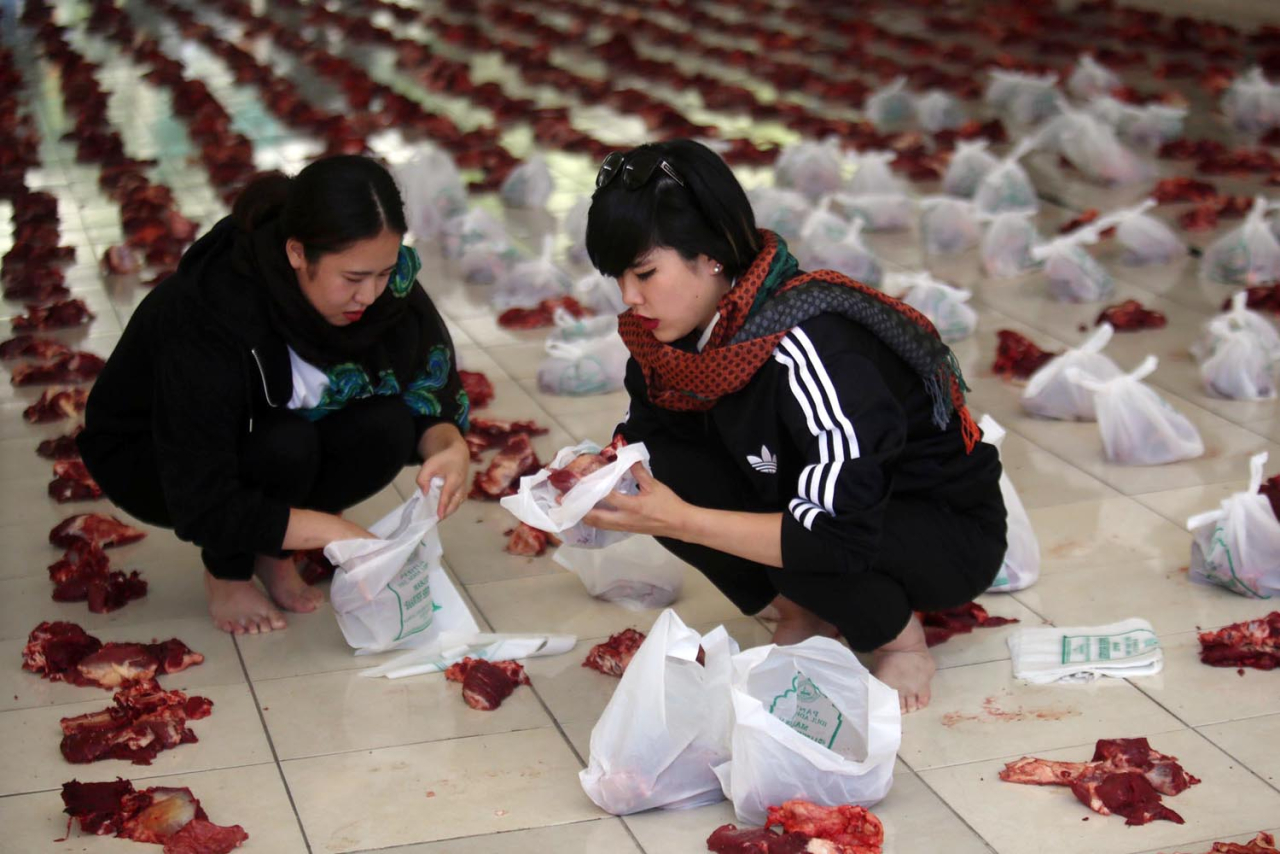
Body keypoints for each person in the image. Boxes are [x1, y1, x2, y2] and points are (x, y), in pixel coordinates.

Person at [580, 140, 1007, 712]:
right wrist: (603, 471)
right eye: (619, 278)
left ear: (710, 255)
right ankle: (803, 611)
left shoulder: (807, 342)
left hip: (936, 530)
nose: (629, 299)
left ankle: (899, 639)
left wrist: (684, 520)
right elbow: (650, 437)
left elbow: (835, 530)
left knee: (779, 530)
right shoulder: (667, 339)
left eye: (644, 273)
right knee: (654, 471)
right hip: (820, 499)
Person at [79, 155, 472, 636]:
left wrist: (449, 448)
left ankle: (274, 550)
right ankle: (227, 572)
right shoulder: (214, 309)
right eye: (352, 279)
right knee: (284, 445)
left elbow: (429, 389)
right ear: (297, 253)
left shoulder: (387, 287)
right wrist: (337, 533)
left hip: (269, 438)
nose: (370, 296)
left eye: (383, 272)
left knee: (386, 427)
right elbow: (202, 490)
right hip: (154, 457)